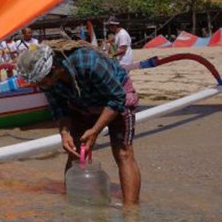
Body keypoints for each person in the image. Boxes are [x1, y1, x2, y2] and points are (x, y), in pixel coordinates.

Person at [16, 41, 141, 205]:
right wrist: (64, 132)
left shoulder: (88, 62)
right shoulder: (46, 80)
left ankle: (130, 213)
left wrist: (95, 130)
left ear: (55, 69)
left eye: (43, 83)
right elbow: (58, 108)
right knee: (74, 152)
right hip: (81, 102)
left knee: (123, 153)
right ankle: (74, 209)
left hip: (116, 97)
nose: (42, 87)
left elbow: (117, 97)